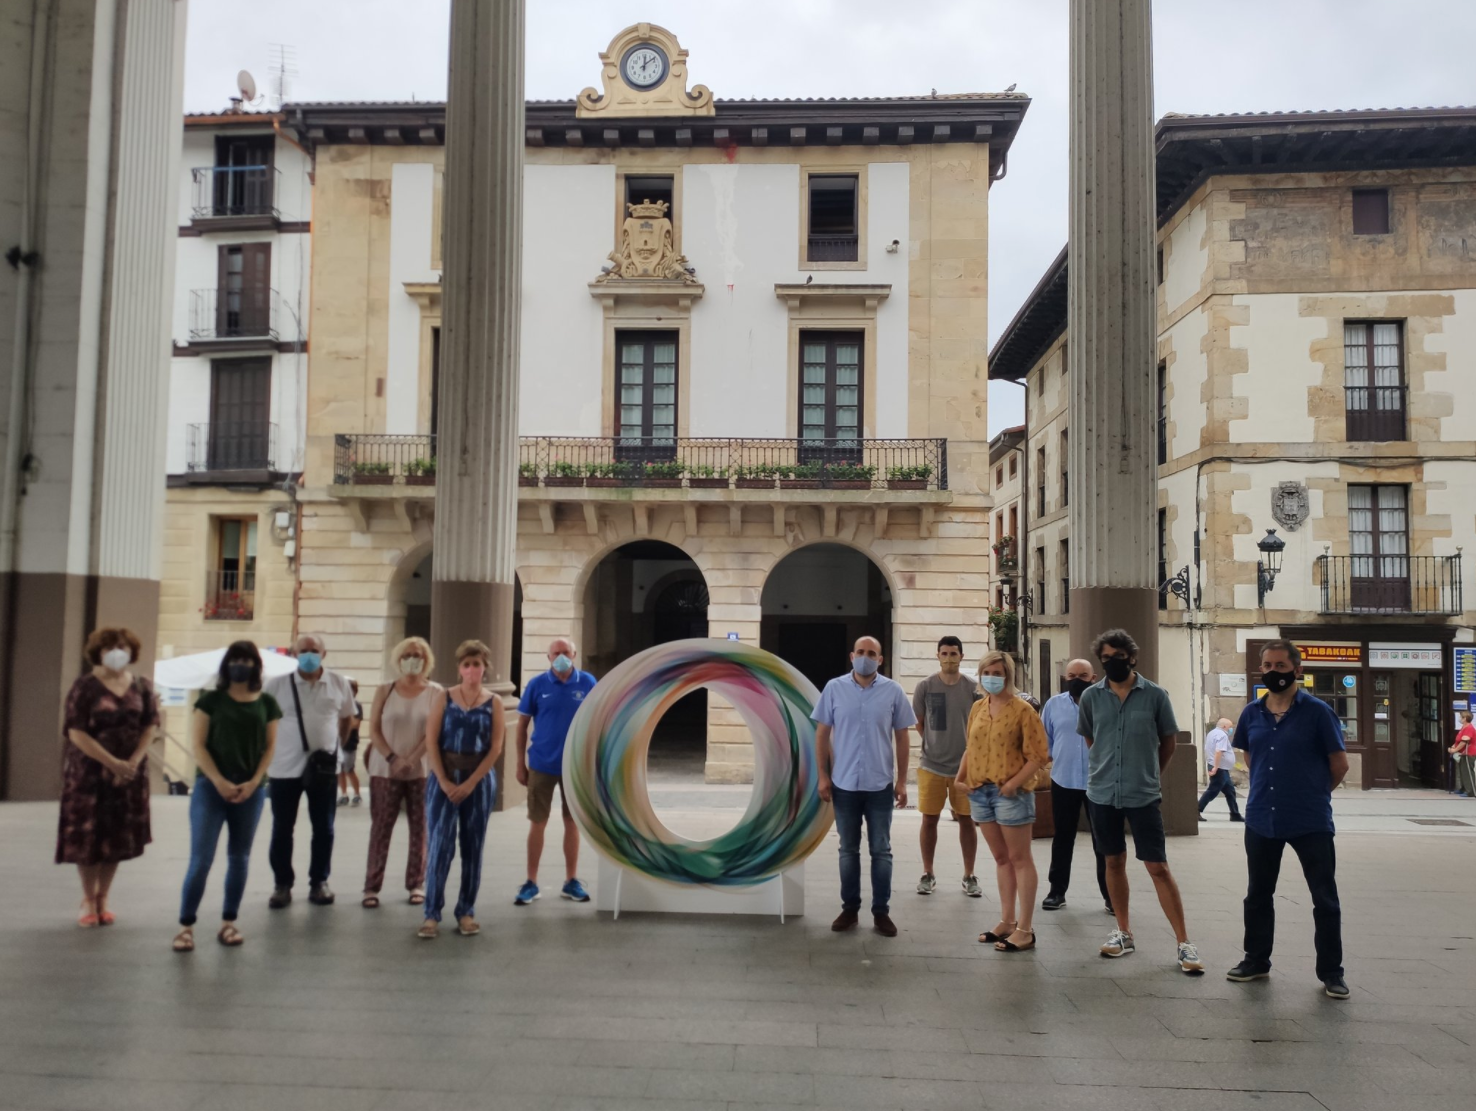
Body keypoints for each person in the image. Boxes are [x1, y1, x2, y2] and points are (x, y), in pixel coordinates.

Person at [1227, 640, 1350, 999]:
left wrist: (1312, 792)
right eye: (1267, 666)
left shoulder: (1318, 712)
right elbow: (1250, 756)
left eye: (1280, 666)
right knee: (1258, 894)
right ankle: (1256, 960)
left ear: (1297, 670)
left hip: (1309, 819)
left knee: (1324, 897)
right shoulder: (1251, 713)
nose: (1273, 672)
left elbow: (1339, 764)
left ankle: (1331, 972)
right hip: (1261, 817)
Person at [1077, 628, 1205, 974]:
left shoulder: (1156, 695)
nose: (1111, 663)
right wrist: (1107, 769)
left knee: (1157, 867)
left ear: (1132, 657)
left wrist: (1149, 773)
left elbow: (1168, 742)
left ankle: (1184, 942)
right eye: (1105, 658)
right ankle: (1124, 932)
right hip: (1102, 793)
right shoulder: (1091, 697)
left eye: (1117, 657)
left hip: (1142, 794)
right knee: (1113, 861)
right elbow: (1091, 739)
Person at [174, 642, 281, 951]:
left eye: (247, 660)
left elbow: (270, 747)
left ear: (256, 666)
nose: (241, 665)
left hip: (251, 789)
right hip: (210, 788)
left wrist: (254, 782)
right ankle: (185, 926)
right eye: (236, 659)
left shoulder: (267, 703)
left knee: (239, 857)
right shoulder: (210, 700)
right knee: (201, 859)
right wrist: (218, 781)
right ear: (226, 664)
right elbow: (199, 745)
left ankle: (229, 922)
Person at [814, 636, 916, 938]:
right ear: (851, 656)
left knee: (881, 850)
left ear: (880, 660)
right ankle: (849, 909)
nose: (865, 657)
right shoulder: (834, 688)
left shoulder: (893, 691)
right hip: (844, 784)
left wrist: (901, 780)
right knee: (848, 849)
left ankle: (881, 912)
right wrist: (823, 775)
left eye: (872, 653)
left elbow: (902, 736)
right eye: (860, 652)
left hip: (879, 785)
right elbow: (821, 733)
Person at [56, 628, 159, 927]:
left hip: (129, 774)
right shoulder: (84, 687)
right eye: (109, 647)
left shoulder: (141, 686)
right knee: (89, 836)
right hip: (89, 775)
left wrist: (133, 762)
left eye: (122, 647)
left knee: (117, 836)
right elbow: (76, 732)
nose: (116, 652)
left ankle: (104, 897)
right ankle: (88, 898)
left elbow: (150, 726)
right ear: (97, 653)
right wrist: (112, 763)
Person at [955, 650, 1050, 953]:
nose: (991, 678)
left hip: (1012, 793)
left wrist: (1013, 784)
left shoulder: (1023, 710)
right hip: (980, 792)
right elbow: (971, 747)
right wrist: (961, 777)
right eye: (987, 673)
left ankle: (1025, 929)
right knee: (1000, 858)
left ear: (1008, 676)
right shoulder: (978, 708)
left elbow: (1039, 755)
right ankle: (1007, 921)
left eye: (997, 673)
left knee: (1020, 859)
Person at [419, 639, 504, 939]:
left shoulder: (494, 702)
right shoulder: (444, 697)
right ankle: (431, 913)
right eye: (466, 665)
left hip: (478, 780)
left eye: (476, 664)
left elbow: (495, 748)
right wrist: (443, 781)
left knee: (473, 845)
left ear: (484, 668)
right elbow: (431, 741)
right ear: (459, 668)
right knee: (440, 845)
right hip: (444, 776)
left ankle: (466, 911)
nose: (471, 670)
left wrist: (470, 783)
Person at [263, 634, 356, 909]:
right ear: (293, 654)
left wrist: (333, 747)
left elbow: (347, 718)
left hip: (324, 769)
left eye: (314, 650)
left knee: (324, 828)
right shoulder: (277, 685)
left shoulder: (338, 683)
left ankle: (319, 882)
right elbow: (264, 721)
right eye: (303, 650)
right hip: (284, 768)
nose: (309, 655)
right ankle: (282, 884)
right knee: (282, 828)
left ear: (323, 654)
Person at [514, 637, 597, 906]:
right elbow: (522, 725)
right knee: (538, 822)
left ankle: (571, 880)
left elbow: (597, 722)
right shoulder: (537, 685)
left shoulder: (588, 683)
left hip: (575, 767)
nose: (561, 657)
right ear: (548, 657)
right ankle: (531, 882)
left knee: (572, 822)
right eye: (556, 653)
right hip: (541, 764)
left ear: (574, 654)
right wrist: (519, 763)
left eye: (566, 652)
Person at [362, 637, 440, 909]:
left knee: (421, 828)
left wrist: (412, 759)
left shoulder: (435, 692)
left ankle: (416, 883)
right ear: (398, 659)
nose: (412, 660)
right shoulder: (385, 690)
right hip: (384, 770)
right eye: (407, 655)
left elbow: (433, 731)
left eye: (417, 655)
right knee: (381, 827)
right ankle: (372, 886)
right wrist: (393, 758)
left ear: (426, 660)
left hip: (422, 771)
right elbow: (374, 729)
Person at [910, 637, 982, 898]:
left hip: (965, 767)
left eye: (953, 653)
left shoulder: (973, 688)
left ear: (962, 656)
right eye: (944, 653)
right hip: (931, 766)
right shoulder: (925, 686)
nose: (949, 658)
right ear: (937, 655)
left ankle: (969, 875)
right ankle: (927, 873)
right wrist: (933, 743)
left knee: (967, 820)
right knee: (929, 819)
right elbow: (919, 722)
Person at [1040, 658, 1112, 914]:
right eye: (1071, 676)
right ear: (1065, 678)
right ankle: (1056, 891)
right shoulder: (1053, 705)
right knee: (1062, 837)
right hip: (1064, 779)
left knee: (1103, 840)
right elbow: (1045, 740)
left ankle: (1111, 895)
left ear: (1093, 678)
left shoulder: (1107, 702)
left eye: (1082, 676)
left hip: (1099, 781)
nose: (1076, 680)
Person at [1198, 718, 1244, 822]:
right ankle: (1197, 809)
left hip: (1221, 767)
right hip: (1219, 768)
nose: (1231, 729)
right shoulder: (1222, 735)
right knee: (1213, 790)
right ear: (1224, 726)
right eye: (1230, 727)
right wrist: (1216, 767)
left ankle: (1235, 814)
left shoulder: (1212, 733)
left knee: (1230, 791)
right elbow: (1219, 751)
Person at [337, 679, 363, 807]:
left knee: (349, 769)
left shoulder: (356, 706)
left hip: (350, 742)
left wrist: (346, 715)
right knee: (339, 770)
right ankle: (344, 794)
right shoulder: (338, 704)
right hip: (338, 742)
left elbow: (355, 724)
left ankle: (357, 794)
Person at [1450, 711, 1476, 798]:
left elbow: (1464, 742)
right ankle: (1463, 788)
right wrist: (1453, 747)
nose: (1460, 719)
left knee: (1467, 772)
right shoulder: (1463, 728)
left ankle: (1470, 791)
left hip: (1469, 753)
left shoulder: (1469, 728)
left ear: (1465, 718)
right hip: (1463, 753)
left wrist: (1455, 750)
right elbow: (1458, 740)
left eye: (1461, 717)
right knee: (1462, 771)